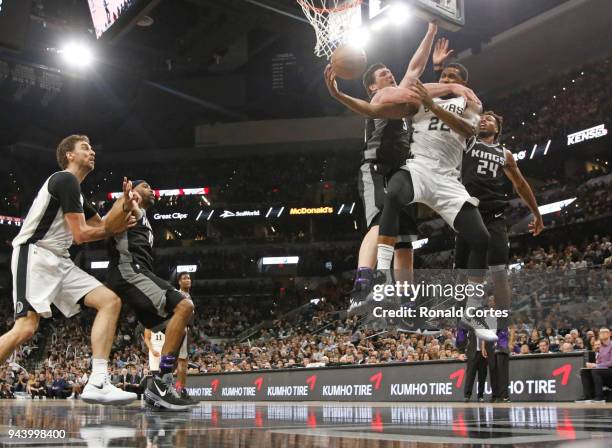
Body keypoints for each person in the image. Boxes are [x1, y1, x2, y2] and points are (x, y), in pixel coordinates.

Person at [325, 61, 496, 341]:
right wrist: (339, 96)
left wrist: (444, 83)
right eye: (383, 75)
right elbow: (377, 104)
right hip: (396, 169)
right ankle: (372, 281)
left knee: (415, 245)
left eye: (454, 78)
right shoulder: (410, 100)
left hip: (445, 179)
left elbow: (467, 129)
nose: (447, 80)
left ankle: (421, 310)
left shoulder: (468, 102)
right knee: (386, 212)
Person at [0, 134, 138, 405]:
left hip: (59, 260)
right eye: (85, 148)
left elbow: (104, 226)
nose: (92, 151)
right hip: (35, 253)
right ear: (69, 156)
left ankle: (98, 381)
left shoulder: (76, 190)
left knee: (109, 301)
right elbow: (83, 235)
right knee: (26, 327)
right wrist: (117, 222)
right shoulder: (64, 180)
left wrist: (124, 205)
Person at [349, 23, 439, 320]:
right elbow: (412, 82)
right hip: (376, 168)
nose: (389, 73)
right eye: (382, 74)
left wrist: (430, 32)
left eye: (389, 70)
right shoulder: (379, 98)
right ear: (372, 87)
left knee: (404, 243)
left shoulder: (400, 93)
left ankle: (407, 303)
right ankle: (362, 283)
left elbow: (415, 65)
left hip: (402, 173)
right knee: (378, 224)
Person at [456, 109, 544, 402]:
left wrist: (536, 212)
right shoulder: (467, 140)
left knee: (499, 272)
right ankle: (464, 323)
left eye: (491, 118)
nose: (484, 119)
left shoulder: (505, 154)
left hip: (493, 215)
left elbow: (520, 185)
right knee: (467, 279)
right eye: (482, 116)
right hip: (467, 212)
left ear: (498, 127)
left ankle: (502, 328)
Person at [106, 180, 195, 410]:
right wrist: (126, 204)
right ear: (134, 191)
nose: (151, 189)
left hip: (140, 273)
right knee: (184, 306)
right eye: (145, 186)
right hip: (129, 270)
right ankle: (160, 383)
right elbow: (109, 225)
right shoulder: (125, 203)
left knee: (181, 326)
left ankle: (162, 387)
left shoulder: (144, 216)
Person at [577, 327, 611, 403]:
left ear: (609, 334)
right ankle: (587, 396)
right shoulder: (601, 348)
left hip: (610, 371)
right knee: (584, 371)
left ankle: (600, 397)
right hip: (603, 371)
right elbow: (599, 362)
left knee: (596, 371)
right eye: (600, 333)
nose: (602, 334)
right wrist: (592, 365)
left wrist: (596, 366)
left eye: (604, 332)